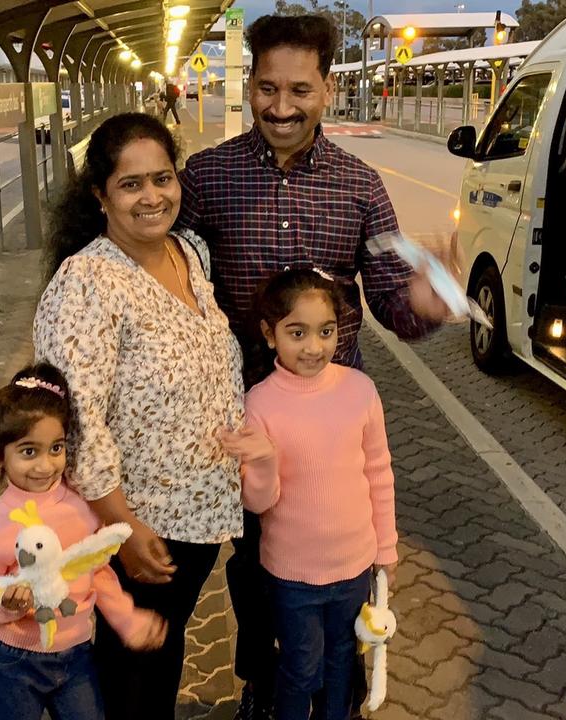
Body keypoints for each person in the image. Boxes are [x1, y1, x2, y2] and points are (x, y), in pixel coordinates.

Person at [174, 14, 452, 719]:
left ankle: (337, 685)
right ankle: (261, 684)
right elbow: (170, 279)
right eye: (267, 88)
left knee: (337, 572)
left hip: (333, 428)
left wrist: (425, 302)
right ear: (251, 87)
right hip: (248, 420)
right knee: (253, 565)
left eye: (299, 89)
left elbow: (393, 302)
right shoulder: (208, 178)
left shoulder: (360, 185)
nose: (281, 106)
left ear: (327, 89)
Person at [33, 112, 245, 720]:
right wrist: (120, 528)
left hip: (199, 510)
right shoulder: (88, 283)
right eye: (131, 185)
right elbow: (74, 420)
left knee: (160, 648)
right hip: (140, 520)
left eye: (163, 178)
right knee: (131, 666)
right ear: (100, 195)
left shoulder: (188, 251)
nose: (153, 196)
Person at [221, 268, 397, 720]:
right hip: (291, 575)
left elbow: (379, 472)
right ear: (269, 333)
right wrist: (262, 461)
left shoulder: (360, 390)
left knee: (344, 663)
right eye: (297, 333)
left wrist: (386, 548)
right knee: (301, 667)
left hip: (355, 566)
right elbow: (258, 503)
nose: (314, 346)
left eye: (326, 331)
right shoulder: (259, 402)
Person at [0, 362, 168, 720]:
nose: (45, 465)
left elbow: (97, 571)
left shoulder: (80, 509)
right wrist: (7, 604)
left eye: (56, 448)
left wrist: (126, 619)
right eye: (29, 451)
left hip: (77, 656)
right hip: (14, 661)